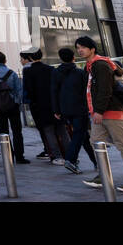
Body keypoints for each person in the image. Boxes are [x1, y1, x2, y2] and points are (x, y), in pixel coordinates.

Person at [75, 36, 123, 194]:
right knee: (95, 142)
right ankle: (102, 174)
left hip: (110, 111)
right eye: (78, 48)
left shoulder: (101, 65)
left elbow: (105, 90)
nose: (80, 50)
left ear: (92, 49)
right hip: (99, 112)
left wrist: (98, 111)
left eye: (83, 47)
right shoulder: (90, 66)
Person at [51, 46, 93, 174]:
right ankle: (70, 160)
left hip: (65, 109)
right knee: (79, 134)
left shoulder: (56, 72)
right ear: (73, 58)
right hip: (80, 108)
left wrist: (56, 110)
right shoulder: (80, 73)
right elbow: (87, 91)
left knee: (83, 134)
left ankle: (95, 160)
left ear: (61, 58)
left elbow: (53, 92)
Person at [0, 51, 28, 163]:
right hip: (12, 105)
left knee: (3, 131)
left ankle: (8, 155)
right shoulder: (12, 73)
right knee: (17, 131)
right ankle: (19, 157)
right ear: (5, 60)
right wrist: (16, 102)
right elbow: (19, 90)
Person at [22, 48, 63, 164]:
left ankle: (56, 156)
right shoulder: (50, 69)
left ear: (30, 58)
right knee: (61, 130)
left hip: (39, 106)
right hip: (54, 104)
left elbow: (28, 90)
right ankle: (70, 155)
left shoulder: (28, 72)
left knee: (48, 131)